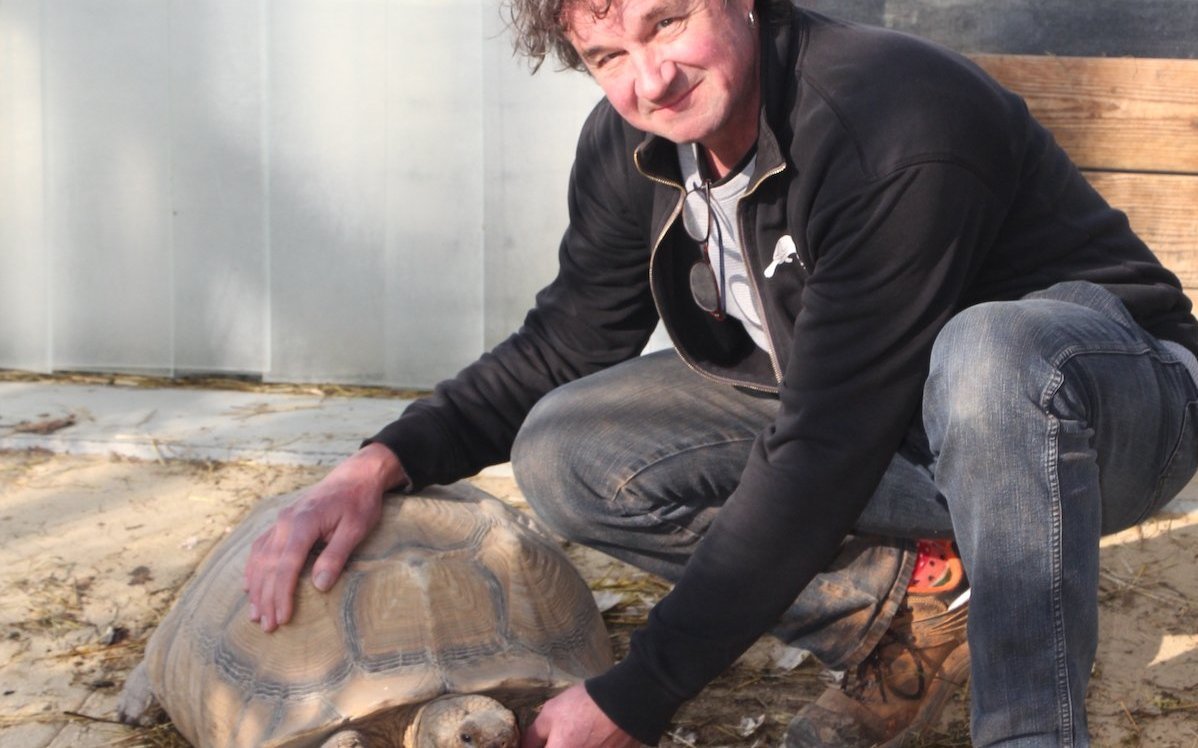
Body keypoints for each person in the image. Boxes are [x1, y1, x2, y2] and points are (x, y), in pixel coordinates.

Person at [243, 0, 1198, 745]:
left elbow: (824, 450)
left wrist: (641, 690)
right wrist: (377, 464)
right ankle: (907, 620)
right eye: (606, 56)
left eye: (668, 22)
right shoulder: (635, 146)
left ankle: (1029, 734)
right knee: (569, 448)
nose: (650, 79)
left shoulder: (888, 116)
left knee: (987, 354)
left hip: (1107, 411)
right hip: (897, 426)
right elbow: (566, 340)